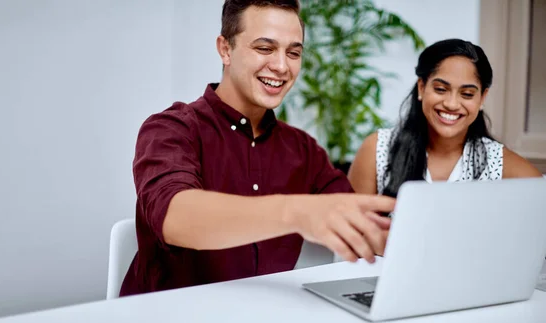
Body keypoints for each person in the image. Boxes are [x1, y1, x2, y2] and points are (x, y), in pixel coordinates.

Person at [119, 0, 395, 297]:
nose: (281, 66)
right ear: (225, 49)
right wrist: (296, 212)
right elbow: (175, 217)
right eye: (265, 48)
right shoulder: (171, 129)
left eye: (294, 53)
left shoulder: (303, 150)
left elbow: (362, 229)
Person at [348, 39, 543, 198]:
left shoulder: (499, 163)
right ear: (422, 87)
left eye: (467, 94)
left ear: (482, 98)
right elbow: (351, 235)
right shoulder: (378, 150)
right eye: (441, 89)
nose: (451, 103)